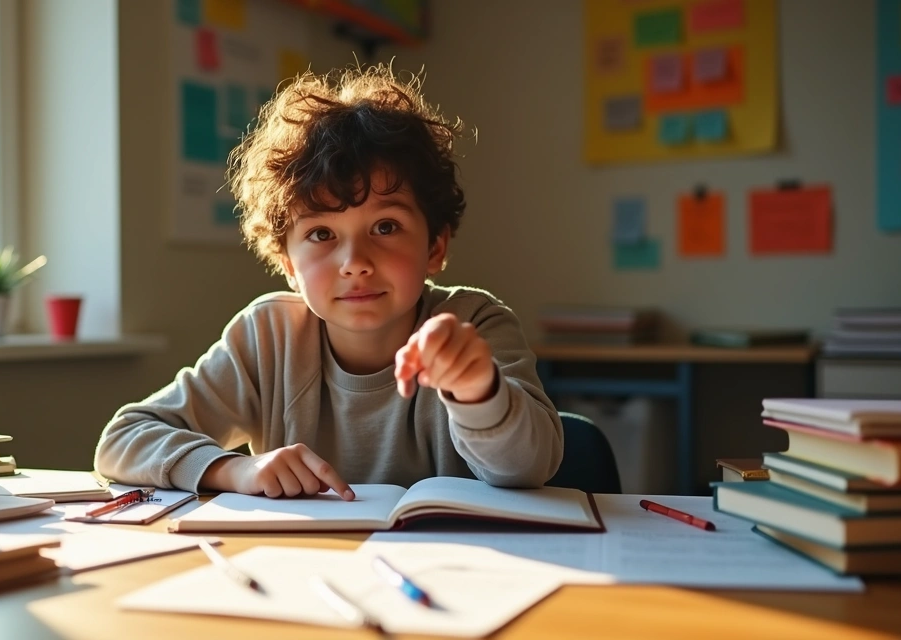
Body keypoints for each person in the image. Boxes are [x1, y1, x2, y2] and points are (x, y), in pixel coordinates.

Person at [94, 64, 562, 501]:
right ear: (288, 265)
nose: (355, 262)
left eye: (386, 227)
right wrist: (232, 470)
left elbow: (527, 468)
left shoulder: (475, 326)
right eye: (321, 235)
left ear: (435, 247)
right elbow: (122, 440)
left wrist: (479, 390)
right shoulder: (269, 337)